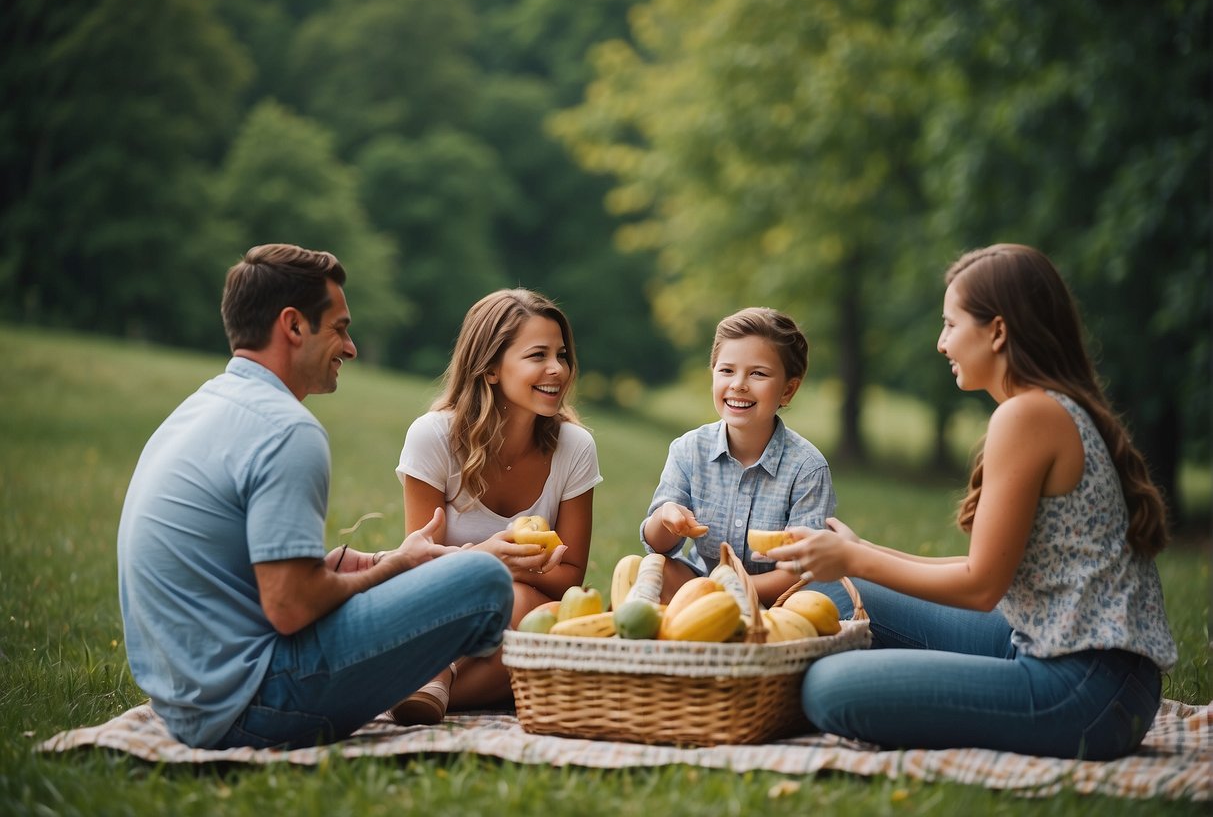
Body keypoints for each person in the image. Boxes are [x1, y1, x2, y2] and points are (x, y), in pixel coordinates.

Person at [765, 243, 1177, 760]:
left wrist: (855, 557)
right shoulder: (1050, 407)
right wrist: (859, 554)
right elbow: (988, 568)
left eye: (950, 325)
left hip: (1086, 690)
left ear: (998, 331)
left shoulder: (1027, 416)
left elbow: (981, 587)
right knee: (839, 590)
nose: (941, 344)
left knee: (827, 686)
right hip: (1067, 653)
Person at [117, 244, 514, 750]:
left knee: (445, 578)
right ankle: (446, 677)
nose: (349, 348)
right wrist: (392, 571)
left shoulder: (201, 409)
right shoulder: (286, 429)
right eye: (340, 328)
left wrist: (377, 562)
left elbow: (248, 580)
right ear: (293, 326)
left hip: (186, 704)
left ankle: (439, 673)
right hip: (251, 705)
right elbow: (291, 607)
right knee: (482, 580)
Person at [393, 288, 601, 722]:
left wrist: (512, 568)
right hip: (440, 614)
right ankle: (440, 675)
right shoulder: (433, 438)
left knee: (543, 611)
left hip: (518, 623)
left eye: (561, 355)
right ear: (489, 368)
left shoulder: (574, 447)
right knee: (525, 601)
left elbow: (571, 578)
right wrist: (489, 562)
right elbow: (418, 568)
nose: (557, 369)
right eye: (537, 355)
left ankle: (431, 682)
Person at [641, 307, 836, 605]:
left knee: (808, 601)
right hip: (699, 588)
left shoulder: (807, 468)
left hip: (774, 601)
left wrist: (722, 593)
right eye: (727, 370)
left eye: (758, 373)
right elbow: (658, 546)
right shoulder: (688, 449)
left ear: (788, 391)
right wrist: (666, 517)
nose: (738, 384)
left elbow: (801, 571)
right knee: (650, 569)